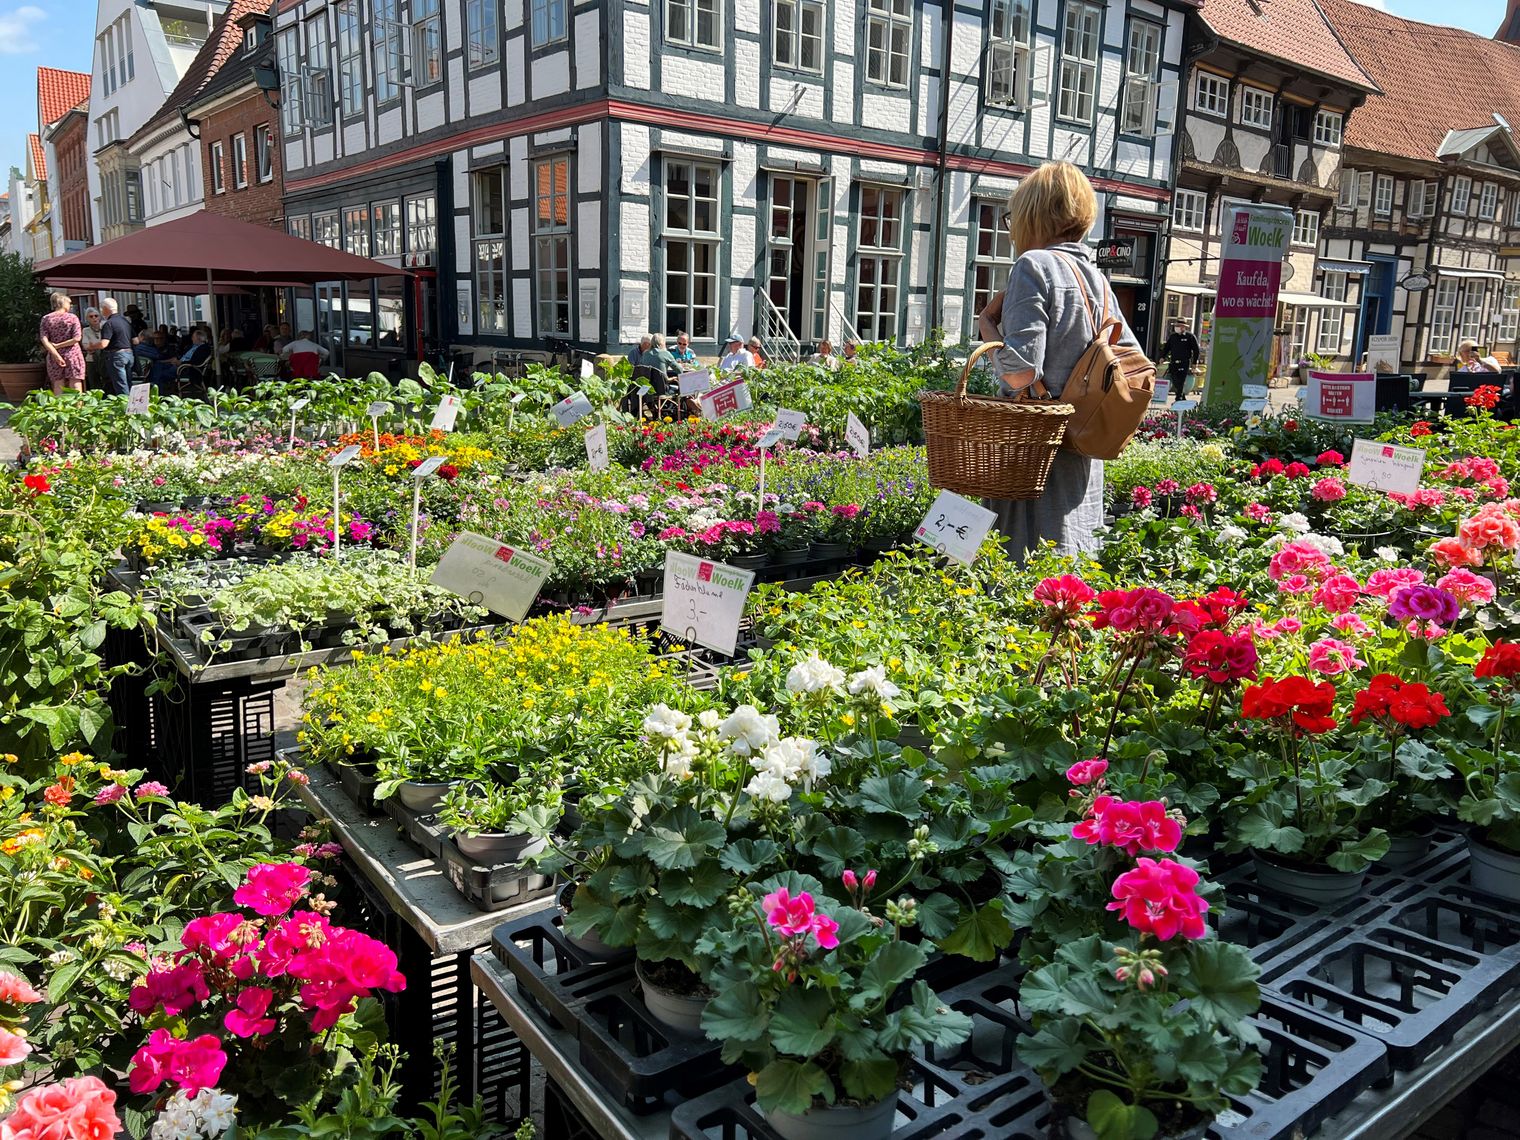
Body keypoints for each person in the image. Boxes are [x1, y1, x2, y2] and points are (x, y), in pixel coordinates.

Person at [976, 161, 1141, 561]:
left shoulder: (1033, 266)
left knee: (1019, 567)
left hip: (1033, 451)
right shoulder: (1097, 279)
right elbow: (1128, 358)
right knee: (1070, 571)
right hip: (1083, 444)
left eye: (1013, 215)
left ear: (1033, 214)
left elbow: (1020, 373)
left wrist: (987, 327)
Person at [39, 292, 85, 395]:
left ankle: (60, 409)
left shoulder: (46, 319)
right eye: (69, 303)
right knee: (75, 381)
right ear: (63, 303)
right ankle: (78, 409)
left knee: (58, 383)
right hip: (73, 354)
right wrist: (60, 345)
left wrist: (55, 353)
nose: (70, 305)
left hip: (54, 356)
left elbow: (44, 339)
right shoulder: (72, 318)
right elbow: (77, 338)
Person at [98, 298, 135, 396]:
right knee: (128, 382)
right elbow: (136, 341)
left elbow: (103, 344)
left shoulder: (109, 323)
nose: (101, 311)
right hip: (129, 354)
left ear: (106, 309)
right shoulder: (126, 322)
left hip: (116, 355)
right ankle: (134, 406)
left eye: (102, 309)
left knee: (121, 385)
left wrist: (91, 345)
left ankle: (125, 408)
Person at [1162, 318, 1201, 396]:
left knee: (1181, 381)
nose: (1177, 327)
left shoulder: (1190, 337)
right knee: (1174, 379)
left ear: (1184, 327)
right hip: (1173, 362)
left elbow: (1196, 350)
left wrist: (1194, 363)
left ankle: (1179, 398)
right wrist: (1162, 357)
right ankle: (1181, 397)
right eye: (1176, 326)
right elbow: (1166, 348)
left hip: (1184, 363)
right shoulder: (1172, 337)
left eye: (1179, 326)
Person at [80, 307, 104, 391]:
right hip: (91, 359)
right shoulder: (86, 330)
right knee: (94, 383)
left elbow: (106, 343)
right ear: (87, 318)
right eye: (91, 316)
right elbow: (86, 345)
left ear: (99, 317)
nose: (94, 318)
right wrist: (99, 345)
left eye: (96, 315)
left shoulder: (105, 326)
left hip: (105, 358)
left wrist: (93, 346)